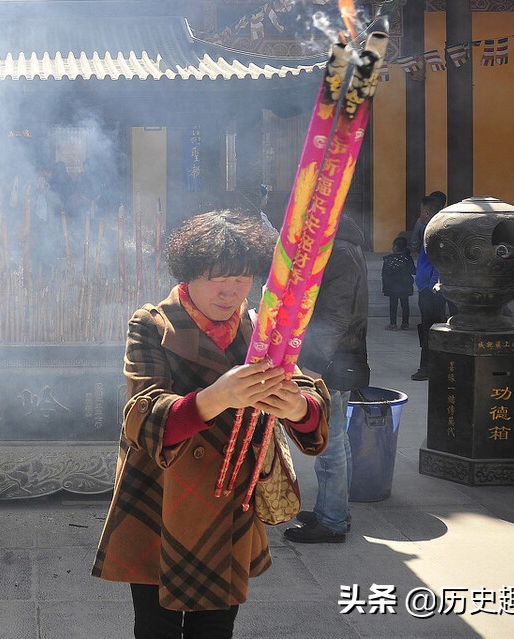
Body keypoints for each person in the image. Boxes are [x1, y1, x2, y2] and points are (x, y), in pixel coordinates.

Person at [92, 210, 329, 638]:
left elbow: (309, 399)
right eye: (217, 278)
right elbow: (140, 415)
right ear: (189, 276)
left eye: (242, 279)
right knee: (155, 625)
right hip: (160, 498)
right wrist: (217, 397)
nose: (231, 291)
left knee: (217, 625)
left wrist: (297, 407)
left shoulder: (261, 329)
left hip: (229, 501)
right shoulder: (152, 324)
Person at [283, 215, 370, 544]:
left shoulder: (339, 253)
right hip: (341, 357)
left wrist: (315, 365)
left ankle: (332, 521)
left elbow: (335, 314)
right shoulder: (344, 247)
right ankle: (334, 510)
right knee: (338, 440)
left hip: (332, 360)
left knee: (329, 443)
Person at [412, 191, 449, 381]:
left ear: (427, 212)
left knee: (431, 329)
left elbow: (438, 263)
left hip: (431, 289)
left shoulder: (436, 233)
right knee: (429, 328)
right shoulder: (432, 230)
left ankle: (428, 368)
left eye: (421, 211)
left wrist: (432, 285)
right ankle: (430, 366)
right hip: (427, 287)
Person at [381, 236, 416, 331]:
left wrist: (385, 287)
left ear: (395, 247)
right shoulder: (408, 259)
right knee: (405, 305)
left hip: (392, 287)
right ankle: (405, 324)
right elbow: (413, 271)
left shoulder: (388, 259)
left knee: (393, 305)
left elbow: (384, 274)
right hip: (405, 286)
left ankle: (393, 324)